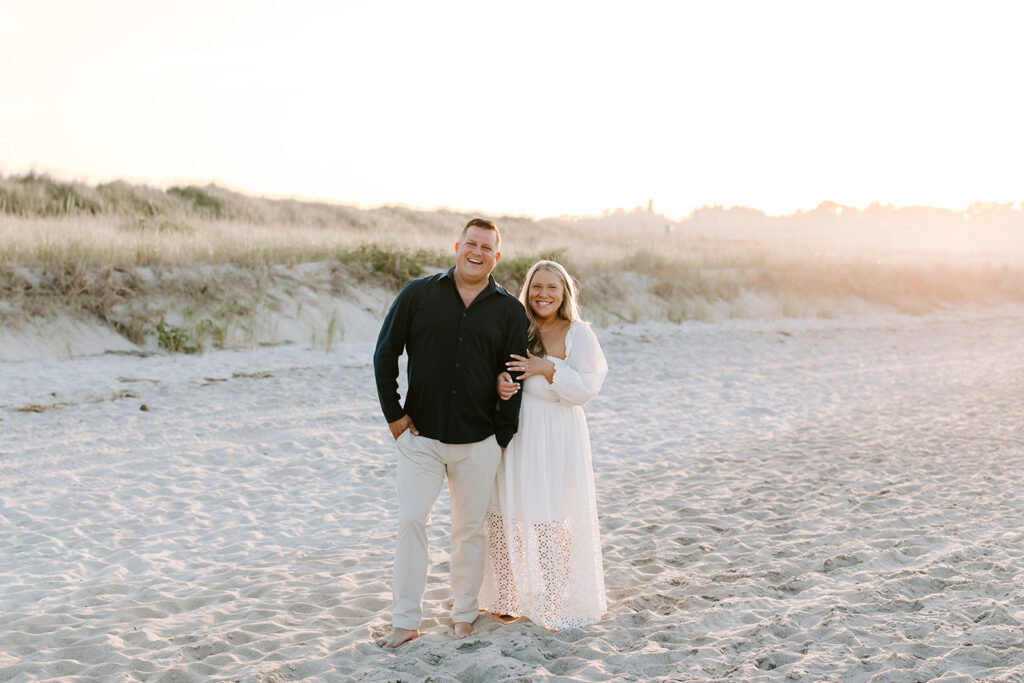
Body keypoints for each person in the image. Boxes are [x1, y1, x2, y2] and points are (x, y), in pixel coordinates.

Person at [372, 218, 529, 648]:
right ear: (456, 245)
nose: (476, 252)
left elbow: (515, 372)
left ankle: (463, 615)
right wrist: (395, 416)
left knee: (468, 530)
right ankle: (404, 622)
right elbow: (385, 353)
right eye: (470, 243)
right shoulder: (418, 294)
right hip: (420, 440)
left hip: (479, 442)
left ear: (496, 257)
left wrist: (503, 433)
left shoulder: (509, 309)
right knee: (411, 521)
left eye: (486, 247)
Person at [479, 260, 608, 630]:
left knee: (549, 517)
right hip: (516, 431)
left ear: (565, 292)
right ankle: (505, 597)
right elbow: (496, 371)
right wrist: (502, 383)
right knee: (504, 513)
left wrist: (547, 368)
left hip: (556, 434)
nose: (543, 294)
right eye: (537, 286)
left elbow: (585, 389)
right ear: (527, 290)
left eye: (553, 287)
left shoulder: (577, 333)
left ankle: (552, 597)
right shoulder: (517, 327)